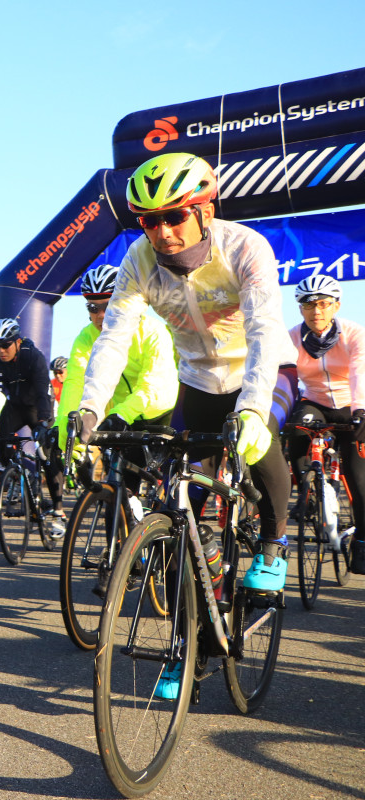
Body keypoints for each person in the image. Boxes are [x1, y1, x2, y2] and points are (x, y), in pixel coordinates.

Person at [76, 152, 297, 649]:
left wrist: (254, 409)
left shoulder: (246, 247)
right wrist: (90, 408)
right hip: (198, 380)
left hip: (262, 369)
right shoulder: (139, 261)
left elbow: (263, 329)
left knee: (258, 444)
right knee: (181, 503)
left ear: (205, 210)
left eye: (174, 216)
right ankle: (195, 623)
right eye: (149, 221)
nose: (161, 232)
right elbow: (113, 338)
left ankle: (274, 542)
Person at [53, 263, 178, 485]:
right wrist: (63, 425)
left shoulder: (153, 331)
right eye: (93, 307)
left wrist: (121, 414)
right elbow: (75, 384)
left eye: (108, 305)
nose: (100, 315)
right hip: (121, 417)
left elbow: (152, 385)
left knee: (173, 486)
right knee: (119, 490)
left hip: (160, 412)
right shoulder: (85, 338)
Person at [284, 275, 365, 574]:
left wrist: (361, 410)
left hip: (349, 403)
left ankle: (362, 541)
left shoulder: (355, 333)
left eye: (322, 304)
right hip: (315, 401)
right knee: (296, 431)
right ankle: (307, 490)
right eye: (308, 305)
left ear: (336, 306)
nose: (315, 311)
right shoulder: (291, 336)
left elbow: (360, 372)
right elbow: (286, 377)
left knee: (359, 481)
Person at [0, 317, 66, 535]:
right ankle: (20, 476)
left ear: (17, 342)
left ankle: (58, 510)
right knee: (2, 449)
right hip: (15, 408)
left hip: (38, 407)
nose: (0, 350)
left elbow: (43, 391)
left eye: (5, 345)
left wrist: (45, 422)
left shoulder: (32, 356)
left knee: (47, 455)